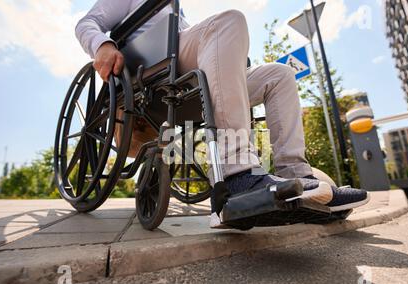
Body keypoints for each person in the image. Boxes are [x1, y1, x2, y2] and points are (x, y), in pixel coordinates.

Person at [76, 0, 370, 228]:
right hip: (152, 73)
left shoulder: (179, 16)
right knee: (228, 21)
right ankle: (239, 177)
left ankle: (296, 178)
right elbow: (87, 23)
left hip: (185, 74)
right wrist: (101, 44)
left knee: (279, 75)